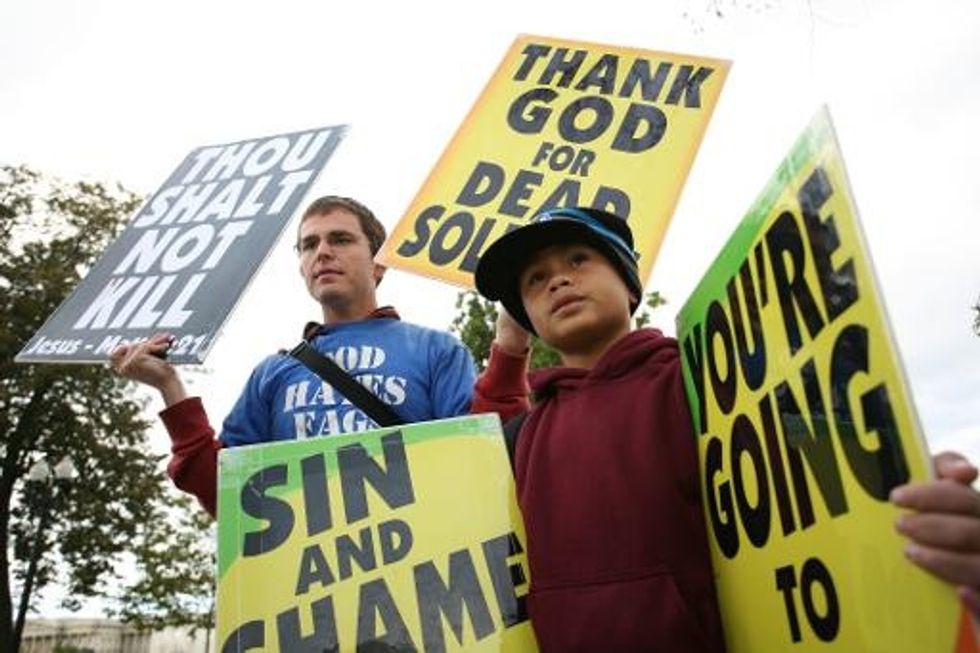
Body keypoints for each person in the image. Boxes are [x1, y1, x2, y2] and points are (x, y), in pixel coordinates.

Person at [471, 206, 980, 651]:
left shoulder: (714, 382)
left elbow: (836, 479)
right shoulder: (523, 438)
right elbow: (462, 482)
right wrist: (506, 347)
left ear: (629, 285)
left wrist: (905, 489)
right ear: (528, 319)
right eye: (534, 280)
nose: (557, 280)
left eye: (578, 260)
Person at [112, 196, 477, 516]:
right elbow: (224, 497)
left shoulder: (438, 350)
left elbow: (475, 464)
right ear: (302, 267)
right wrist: (169, 386)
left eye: (341, 239)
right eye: (308, 245)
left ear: (379, 263)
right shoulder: (273, 373)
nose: (322, 252)